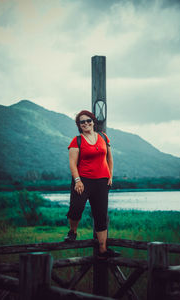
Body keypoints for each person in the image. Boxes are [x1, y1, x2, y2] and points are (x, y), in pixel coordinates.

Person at [65, 110, 120, 259]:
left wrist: (110, 175)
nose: (86, 123)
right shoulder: (76, 141)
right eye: (82, 122)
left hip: (102, 181)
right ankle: (73, 232)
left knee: (101, 215)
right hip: (83, 180)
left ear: (93, 121)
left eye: (88, 120)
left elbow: (110, 158)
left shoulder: (103, 137)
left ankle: (103, 249)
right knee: (76, 208)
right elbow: (72, 163)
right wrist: (77, 180)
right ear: (79, 125)